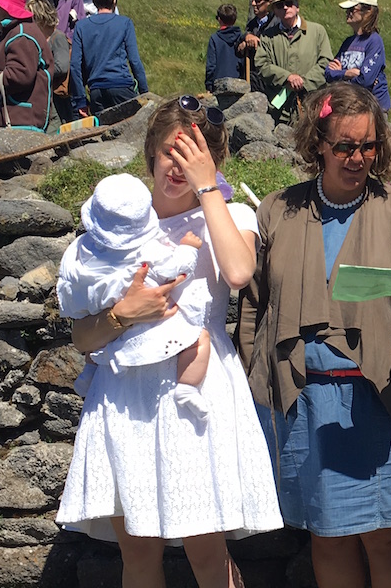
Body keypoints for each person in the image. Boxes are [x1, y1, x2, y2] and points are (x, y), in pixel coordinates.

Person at [56, 95, 282, 588]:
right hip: (125, 395)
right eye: (169, 154)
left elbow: (239, 272)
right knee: (137, 554)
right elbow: (82, 337)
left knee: (207, 552)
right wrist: (122, 314)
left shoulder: (231, 214)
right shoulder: (118, 223)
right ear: (151, 155)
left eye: (191, 157)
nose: (177, 167)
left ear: (213, 161)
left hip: (194, 393)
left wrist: (208, 186)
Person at [238, 82, 391, 588]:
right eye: (345, 147)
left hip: (384, 401)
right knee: (327, 536)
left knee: (389, 537)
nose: (358, 159)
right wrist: (255, 384)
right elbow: (254, 310)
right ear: (318, 145)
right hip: (306, 402)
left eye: (368, 146)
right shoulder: (276, 211)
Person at [58, 172, 212, 419]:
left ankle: (89, 371)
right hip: (149, 327)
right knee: (199, 337)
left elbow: (69, 283)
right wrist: (188, 248)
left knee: (100, 344)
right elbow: (176, 268)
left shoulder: (81, 250)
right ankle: (187, 386)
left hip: (104, 323)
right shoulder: (148, 250)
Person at [254, 0, 332, 124]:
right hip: (279, 110)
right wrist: (287, 77)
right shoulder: (267, 36)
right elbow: (261, 64)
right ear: (275, 11)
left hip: (312, 105)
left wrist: (303, 82)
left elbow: (326, 62)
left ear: (297, 7)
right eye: (279, 5)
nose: (285, 7)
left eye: (289, 3)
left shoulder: (317, 31)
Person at [70, 0, 148, 117]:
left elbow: (75, 65)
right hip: (121, 85)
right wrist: (145, 92)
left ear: (94, 2)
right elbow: (134, 60)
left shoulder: (81, 26)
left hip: (96, 90)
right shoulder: (125, 23)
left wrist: (80, 99)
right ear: (114, 1)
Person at [0, 0, 53, 131]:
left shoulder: (22, 35)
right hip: (17, 120)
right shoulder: (15, 32)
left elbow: (19, 76)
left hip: (22, 122)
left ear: (6, 9)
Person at [326, 0, 391, 112]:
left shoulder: (374, 41)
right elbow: (328, 73)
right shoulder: (348, 42)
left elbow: (365, 80)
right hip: (351, 106)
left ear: (368, 11)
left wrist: (340, 77)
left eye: (352, 9)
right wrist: (347, 73)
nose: (347, 13)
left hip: (373, 109)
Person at [26, 0, 73, 130]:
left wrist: (36, 73)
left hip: (57, 100)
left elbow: (62, 67)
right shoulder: (37, 38)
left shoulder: (57, 37)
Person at [237, 0, 275, 91]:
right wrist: (246, 37)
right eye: (252, 0)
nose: (253, 4)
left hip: (269, 79)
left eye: (258, 1)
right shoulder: (252, 23)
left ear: (269, 3)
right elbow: (238, 44)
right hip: (252, 77)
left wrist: (255, 42)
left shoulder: (276, 22)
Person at [204, 4, 242, 90]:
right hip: (238, 83)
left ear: (219, 19)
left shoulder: (215, 38)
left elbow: (211, 65)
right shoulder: (241, 37)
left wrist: (209, 84)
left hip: (219, 84)